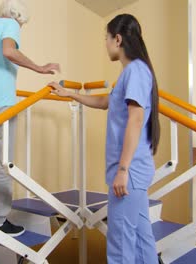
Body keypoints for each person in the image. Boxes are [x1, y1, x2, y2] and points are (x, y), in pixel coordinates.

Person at [50, 14, 160, 263]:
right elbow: (104, 102)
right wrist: (70, 94)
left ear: (117, 39)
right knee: (142, 243)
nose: (106, 43)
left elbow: (135, 118)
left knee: (120, 245)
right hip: (134, 171)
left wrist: (122, 169)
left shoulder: (135, 71)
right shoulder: (133, 72)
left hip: (128, 173)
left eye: (106, 38)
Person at [0, 0, 60, 237]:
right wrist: (39, 68)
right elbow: (9, 51)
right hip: (0, 103)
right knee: (2, 163)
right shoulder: (10, 24)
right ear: (19, 17)